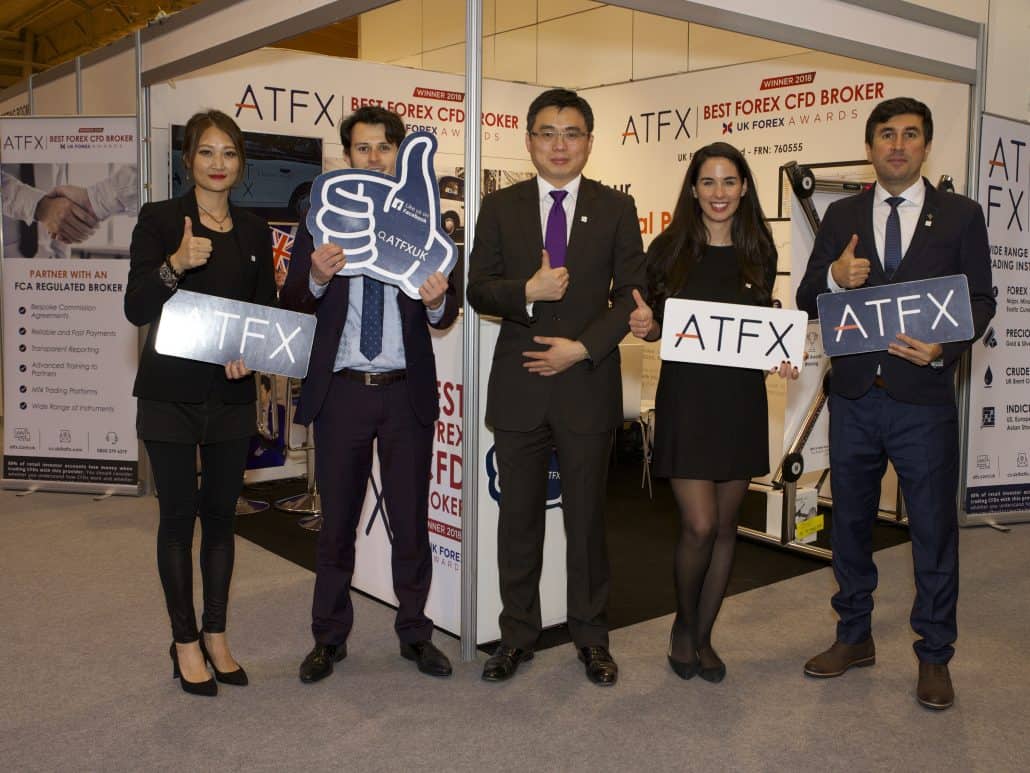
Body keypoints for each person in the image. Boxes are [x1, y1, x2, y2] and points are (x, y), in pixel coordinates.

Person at [796, 97, 994, 710]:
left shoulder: (961, 215)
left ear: (926, 146)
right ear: (870, 146)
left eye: (910, 134)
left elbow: (981, 300)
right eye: (887, 134)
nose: (898, 145)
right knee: (850, 525)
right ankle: (854, 636)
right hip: (855, 398)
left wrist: (944, 347)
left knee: (933, 530)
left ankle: (934, 655)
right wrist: (836, 277)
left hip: (923, 401)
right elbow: (807, 296)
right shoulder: (843, 215)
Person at [468, 88, 646, 686]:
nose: (560, 145)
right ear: (529, 141)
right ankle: (516, 636)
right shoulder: (501, 206)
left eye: (572, 133)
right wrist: (527, 291)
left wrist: (584, 348)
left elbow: (633, 295)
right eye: (548, 133)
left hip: (586, 386)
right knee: (517, 522)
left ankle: (591, 638)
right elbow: (478, 287)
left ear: (589, 142)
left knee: (587, 524)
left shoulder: (617, 208)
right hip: (519, 389)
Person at [280, 106, 458, 684]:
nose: (375, 158)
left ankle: (415, 633)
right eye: (363, 148)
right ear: (347, 155)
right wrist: (316, 276)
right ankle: (328, 638)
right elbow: (292, 300)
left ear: (399, 154)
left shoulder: (422, 220)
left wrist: (437, 299)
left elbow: (445, 311)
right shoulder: (322, 219)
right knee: (336, 525)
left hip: (406, 394)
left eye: (385, 147)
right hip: (343, 394)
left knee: (410, 522)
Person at [628, 142, 799, 682]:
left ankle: (704, 637)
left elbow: (759, 325)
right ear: (693, 189)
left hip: (740, 401)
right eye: (708, 182)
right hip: (687, 400)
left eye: (729, 181)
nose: (718, 193)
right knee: (699, 525)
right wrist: (645, 328)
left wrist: (779, 353)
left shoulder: (759, 250)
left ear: (744, 188)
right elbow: (654, 323)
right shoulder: (669, 249)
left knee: (726, 527)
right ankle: (683, 626)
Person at [124, 110, 276, 696]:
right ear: (187, 160)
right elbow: (136, 307)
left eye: (229, 153)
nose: (218, 164)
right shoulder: (160, 219)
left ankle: (216, 633)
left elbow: (262, 312)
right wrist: (176, 264)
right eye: (206, 152)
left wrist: (251, 354)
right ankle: (184, 640)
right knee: (176, 521)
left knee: (220, 521)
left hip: (230, 396)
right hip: (170, 395)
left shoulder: (256, 231)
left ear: (241, 163)